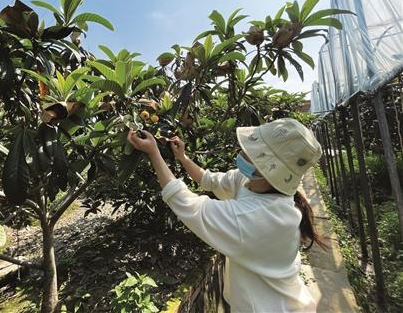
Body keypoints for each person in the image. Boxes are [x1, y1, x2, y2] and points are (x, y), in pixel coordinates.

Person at [127, 117, 327, 313]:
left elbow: (187, 204)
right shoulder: (252, 182)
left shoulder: (259, 217)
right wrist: (182, 158)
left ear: (267, 169)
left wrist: (153, 153)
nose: (244, 152)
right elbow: (210, 181)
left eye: (253, 153)